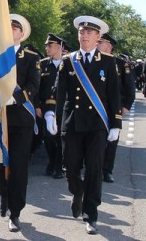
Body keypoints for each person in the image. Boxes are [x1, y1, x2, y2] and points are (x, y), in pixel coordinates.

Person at [48, 16, 122, 235]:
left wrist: (116, 123)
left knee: (94, 170)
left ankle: (91, 214)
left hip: (97, 125)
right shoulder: (69, 61)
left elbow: (113, 96)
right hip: (72, 123)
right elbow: (59, 91)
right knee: (69, 168)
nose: (84, 36)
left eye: (89, 33)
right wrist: (52, 115)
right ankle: (77, 191)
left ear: (98, 37)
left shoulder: (108, 62)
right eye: (81, 32)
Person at [0, 14, 41, 232]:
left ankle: (15, 212)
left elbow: (34, 84)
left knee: (18, 167)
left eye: (15, 28)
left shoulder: (31, 56)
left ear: (21, 33)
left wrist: (16, 98)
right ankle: (4, 195)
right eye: (7, 27)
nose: (11, 30)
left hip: (21, 119)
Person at [96, 33, 135, 183]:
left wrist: (126, 105)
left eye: (101, 42)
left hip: (114, 107)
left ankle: (107, 170)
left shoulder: (120, 63)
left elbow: (129, 86)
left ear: (109, 46)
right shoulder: (94, 61)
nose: (98, 44)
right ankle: (93, 167)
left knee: (112, 140)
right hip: (97, 105)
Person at [40, 33, 66, 179]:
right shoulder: (43, 64)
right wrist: (37, 106)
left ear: (58, 47)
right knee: (48, 137)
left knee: (61, 138)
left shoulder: (68, 63)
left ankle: (58, 166)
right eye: (46, 46)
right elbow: (37, 87)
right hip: (46, 108)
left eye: (49, 45)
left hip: (63, 107)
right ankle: (52, 161)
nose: (47, 48)